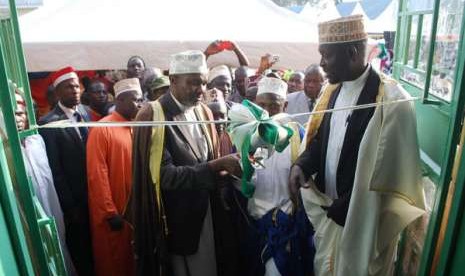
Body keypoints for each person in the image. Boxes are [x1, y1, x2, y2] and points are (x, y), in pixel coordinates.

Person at [288, 15, 426, 275]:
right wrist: (302, 165)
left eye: (325, 55)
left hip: (364, 230)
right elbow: (321, 141)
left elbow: (394, 176)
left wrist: (352, 204)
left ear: (351, 53)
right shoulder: (331, 91)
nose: (321, 64)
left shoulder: (394, 102)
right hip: (329, 219)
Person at [126, 50, 243, 276]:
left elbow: (210, 159)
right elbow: (163, 176)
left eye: (203, 83)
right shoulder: (152, 115)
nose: (200, 90)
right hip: (175, 224)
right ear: (173, 80)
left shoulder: (203, 110)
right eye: (193, 83)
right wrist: (215, 166)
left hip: (208, 214)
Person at [244, 77, 312, 276]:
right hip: (257, 225)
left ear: (285, 105)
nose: (267, 112)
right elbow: (252, 177)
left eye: (273, 106)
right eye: (262, 105)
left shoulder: (298, 136)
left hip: (286, 228)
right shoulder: (250, 135)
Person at [39, 66, 94, 276]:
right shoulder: (48, 123)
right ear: (58, 92)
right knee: (81, 247)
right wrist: (70, 206)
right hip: (74, 201)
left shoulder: (85, 113)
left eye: (77, 85)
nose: (75, 90)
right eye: (69, 87)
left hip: (93, 193)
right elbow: (55, 168)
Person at [15, 89, 77, 275]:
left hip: (53, 215)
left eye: (21, 113)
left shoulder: (36, 141)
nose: (18, 118)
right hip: (29, 222)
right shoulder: (7, 151)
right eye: (14, 113)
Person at [87, 78, 143, 276]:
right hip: (115, 214)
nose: (140, 105)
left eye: (141, 100)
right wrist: (109, 213)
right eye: (135, 100)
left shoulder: (137, 127)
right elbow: (97, 175)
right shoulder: (102, 129)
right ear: (119, 100)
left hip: (136, 210)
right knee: (115, 261)